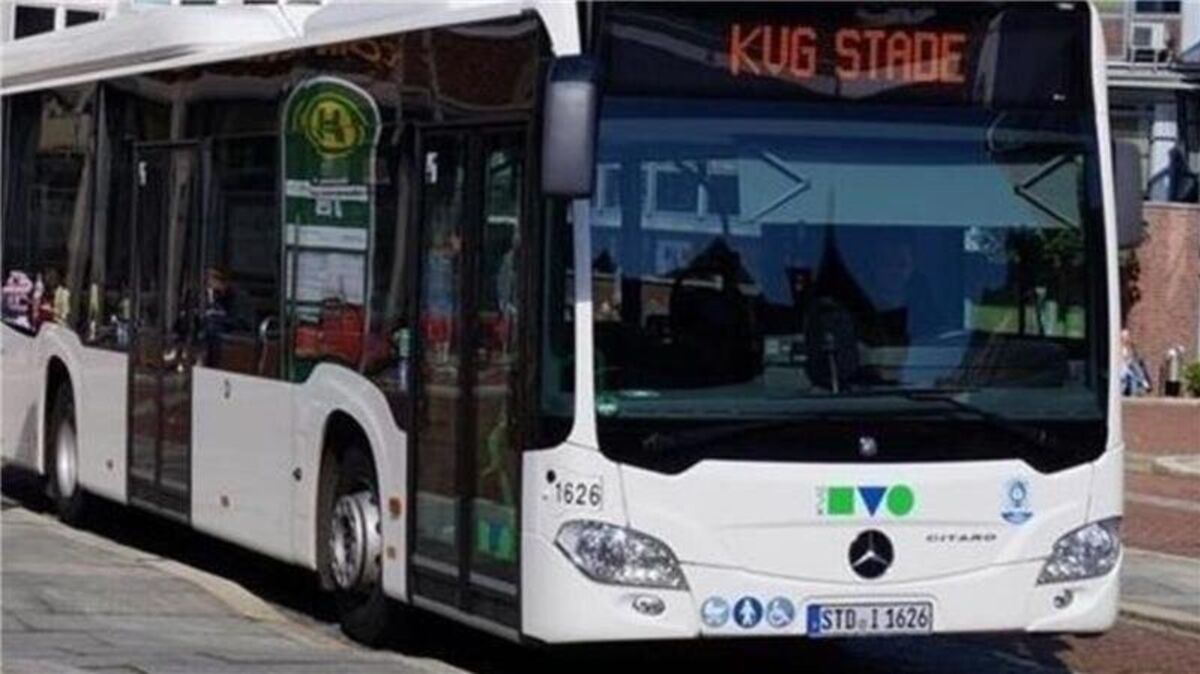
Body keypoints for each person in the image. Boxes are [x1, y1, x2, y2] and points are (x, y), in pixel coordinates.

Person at [1120, 328, 1152, 396]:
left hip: (1129, 367)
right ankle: (1144, 382)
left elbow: (1134, 356)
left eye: (1127, 336)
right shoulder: (1118, 347)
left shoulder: (1131, 346)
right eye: (1125, 336)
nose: (1127, 338)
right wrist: (1128, 361)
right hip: (1121, 367)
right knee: (1132, 372)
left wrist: (1130, 361)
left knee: (1134, 374)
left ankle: (1134, 393)